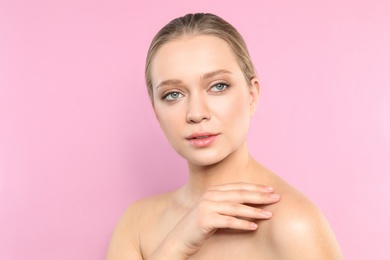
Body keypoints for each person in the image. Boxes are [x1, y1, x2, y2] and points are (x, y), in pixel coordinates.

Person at [106, 13, 343, 259]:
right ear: (156, 110)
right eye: (173, 94)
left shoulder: (294, 225)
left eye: (218, 86)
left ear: (252, 95)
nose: (196, 113)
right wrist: (175, 246)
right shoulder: (135, 224)